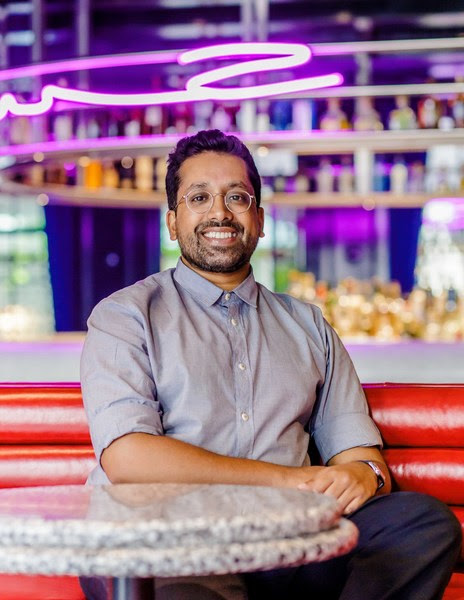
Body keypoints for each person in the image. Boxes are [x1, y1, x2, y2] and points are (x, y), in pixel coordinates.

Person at [80, 129, 461, 600]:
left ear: (258, 220)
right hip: (167, 539)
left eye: (237, 197)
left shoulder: (308, 325)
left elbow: (359, 456)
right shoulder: (126, 316)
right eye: (199, 197)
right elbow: (128, 457)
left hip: (289, 542)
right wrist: (289, 480)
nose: (220, 212)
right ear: (173, 223)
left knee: (422, 524)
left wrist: (367, 475)